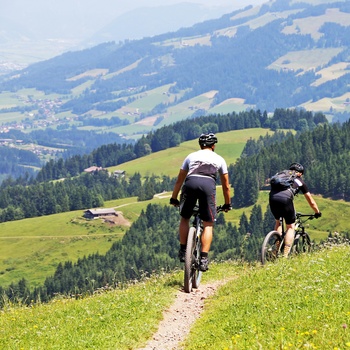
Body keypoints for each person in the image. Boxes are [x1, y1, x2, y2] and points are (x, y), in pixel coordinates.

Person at [169, 133, 231, 271]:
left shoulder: (191, 156)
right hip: (208, 185)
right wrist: (227, 204)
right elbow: (226, 185)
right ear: (213, 146)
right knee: (208, 224)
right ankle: (203, 258)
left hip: (190, 183)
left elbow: (179, 180)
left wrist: (174, 198)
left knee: (185, 217)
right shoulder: (219, 159)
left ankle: (183, 250)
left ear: (200, 145)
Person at [269, 162, 322, 257]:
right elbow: (310, 200)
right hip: (286, 199)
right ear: (300, 173)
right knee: (290, 227)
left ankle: (277, 249)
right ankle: (285, 255)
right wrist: (317, 212)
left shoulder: (282, 175)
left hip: (272, 198)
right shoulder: (299, 180)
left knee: (278, 221)